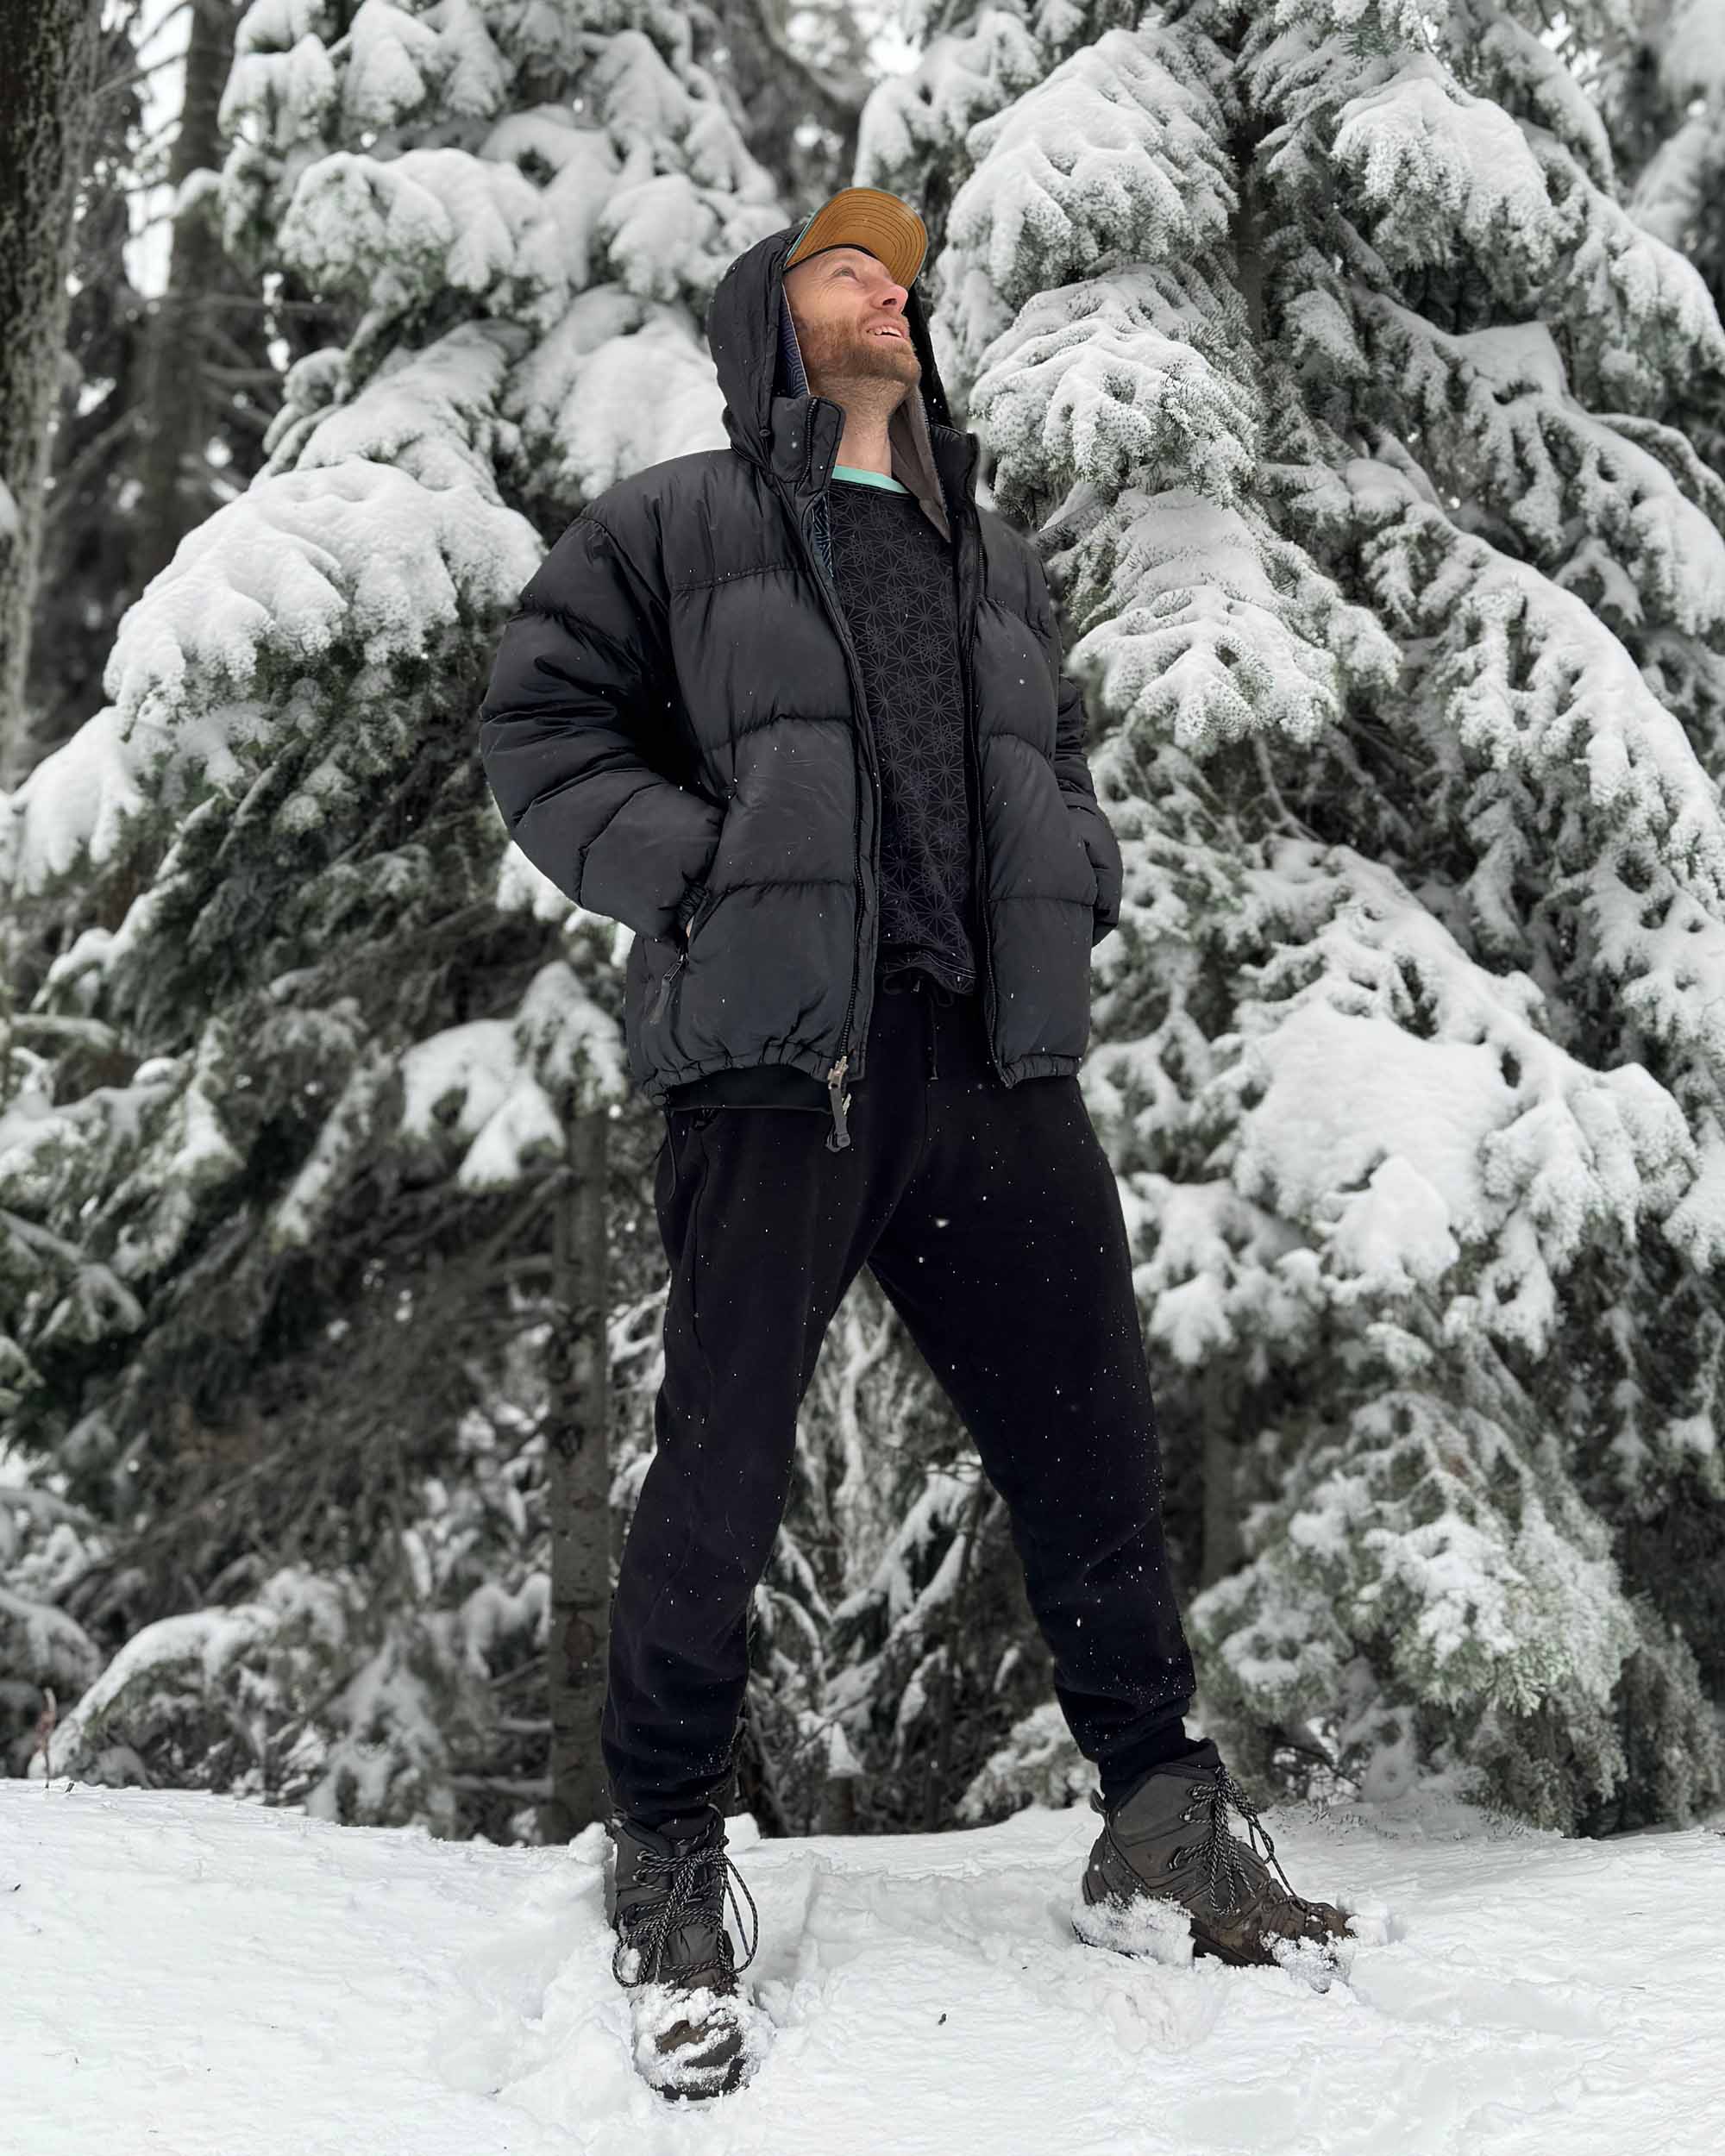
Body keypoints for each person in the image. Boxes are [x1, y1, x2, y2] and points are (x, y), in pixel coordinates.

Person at [478, 186, 1352, 2098]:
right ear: (769, 318)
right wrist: (697, 872)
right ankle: (667, 1842)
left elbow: (1057, 768)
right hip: (785, 1063)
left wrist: (1079, 871)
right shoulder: (675, 526)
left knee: (1092, 1439)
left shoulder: (992, 556)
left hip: (994, 1063)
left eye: (902, 270)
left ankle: (1154, 1809)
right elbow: (537, 728)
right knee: (721, 1455)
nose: (891, 286)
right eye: (844, 266)